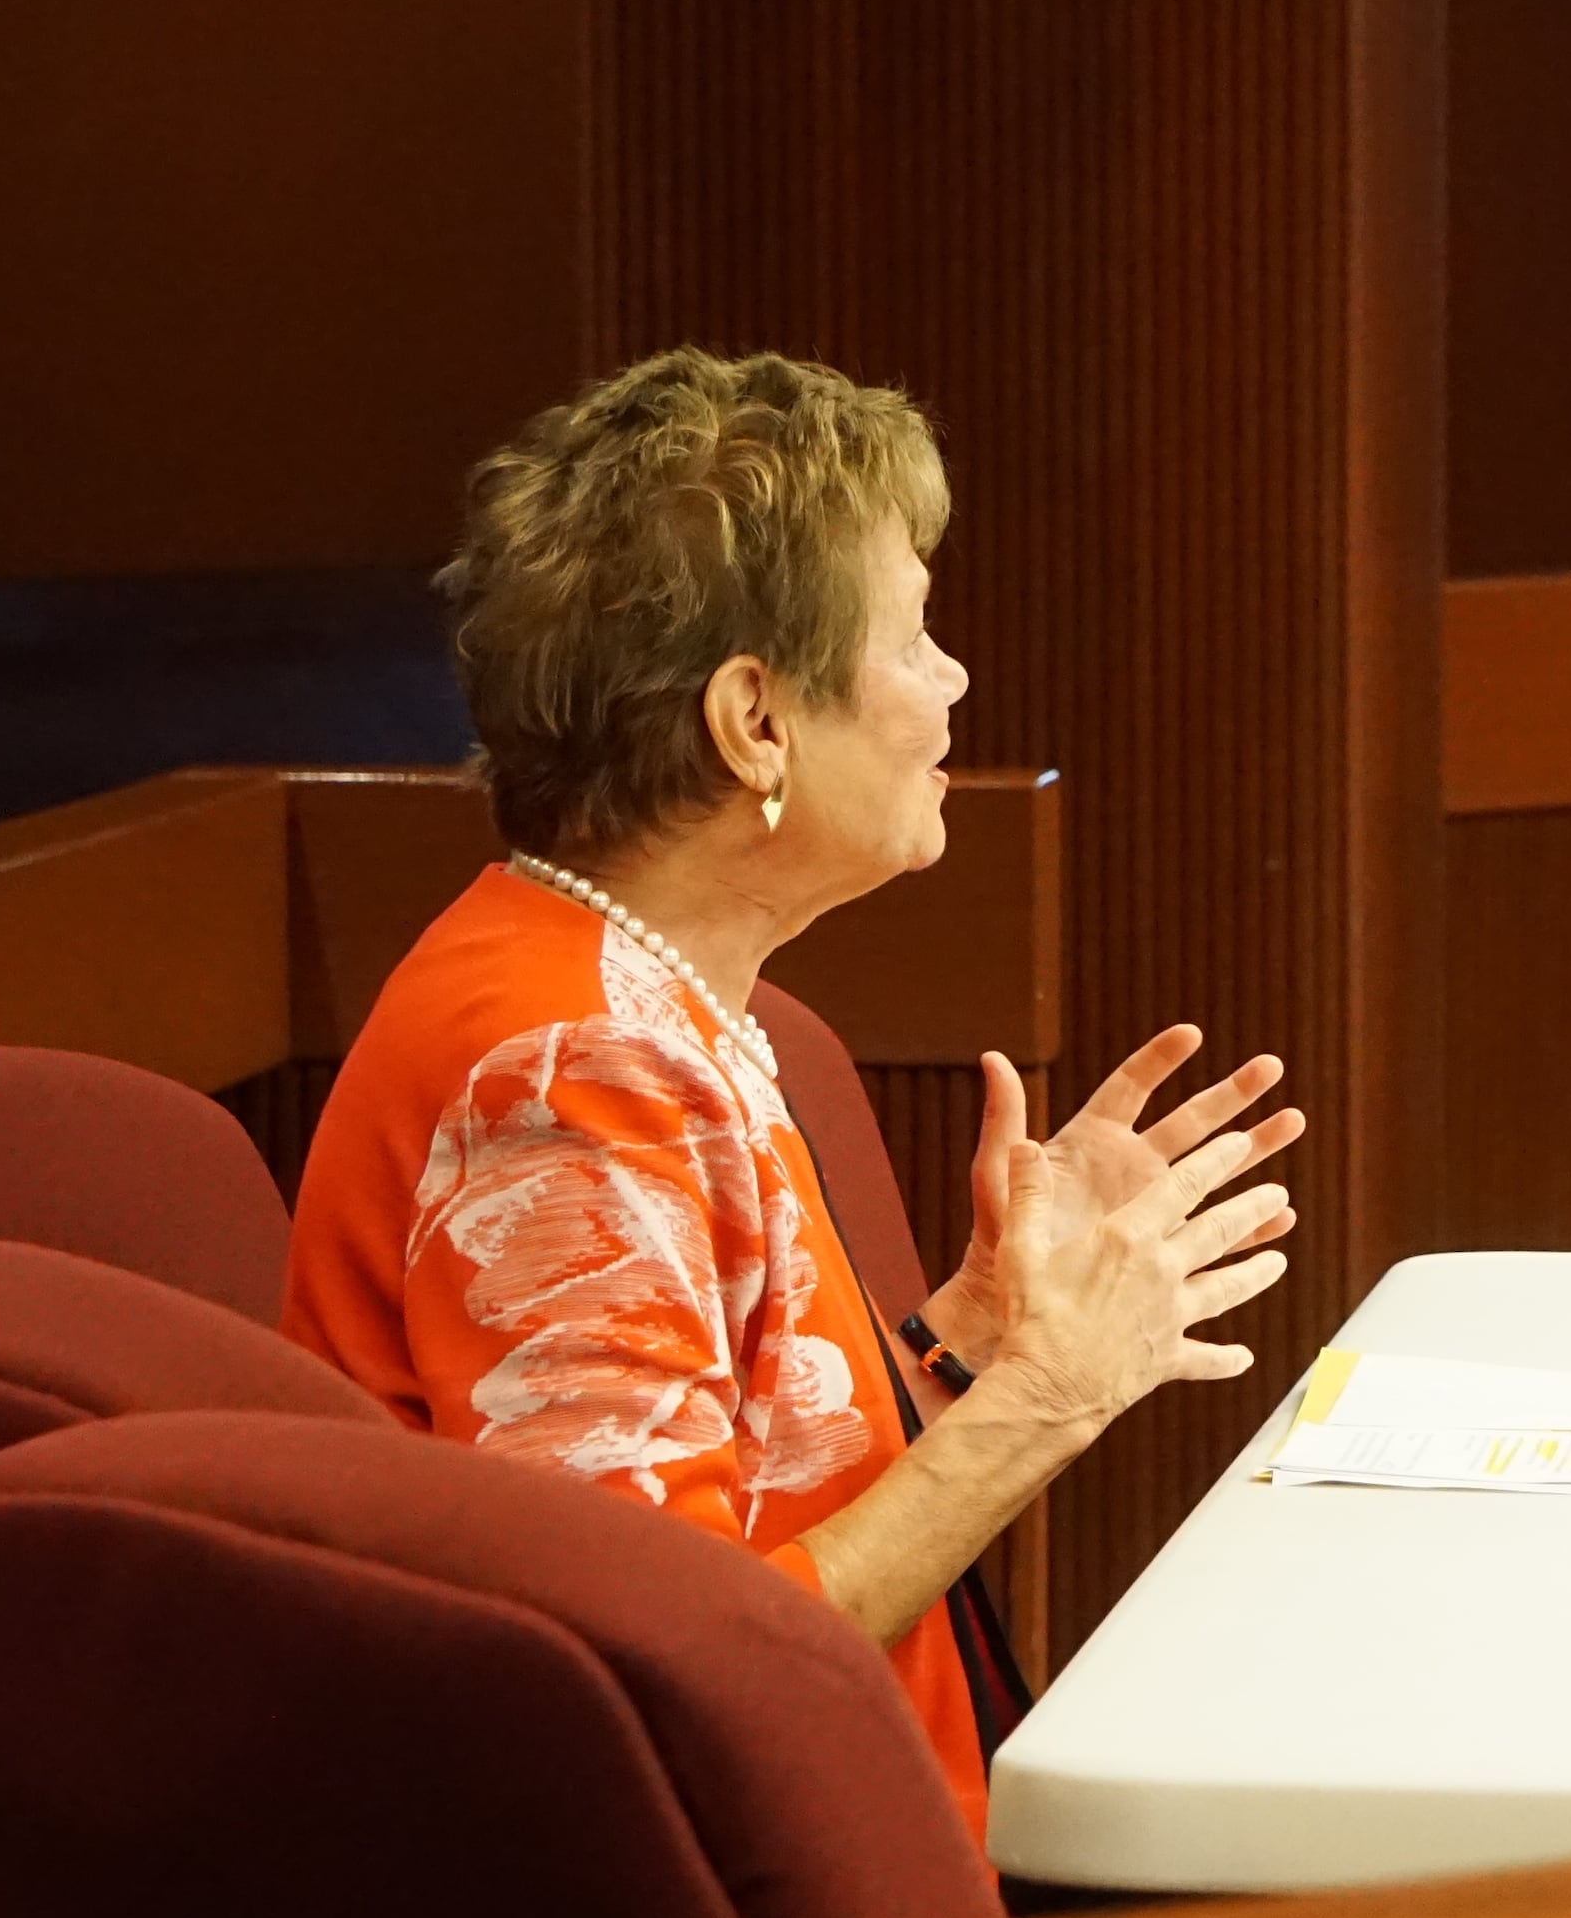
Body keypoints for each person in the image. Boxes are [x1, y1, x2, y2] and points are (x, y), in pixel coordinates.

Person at [284, 350, 1299, 1835]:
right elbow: (675, 1668)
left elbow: (738, 1478)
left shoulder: (628, 992)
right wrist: (1052, 1392)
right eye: (915, 637)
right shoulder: (569, 1073)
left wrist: (969, 1340)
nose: (953, 682)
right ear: (754, 720)